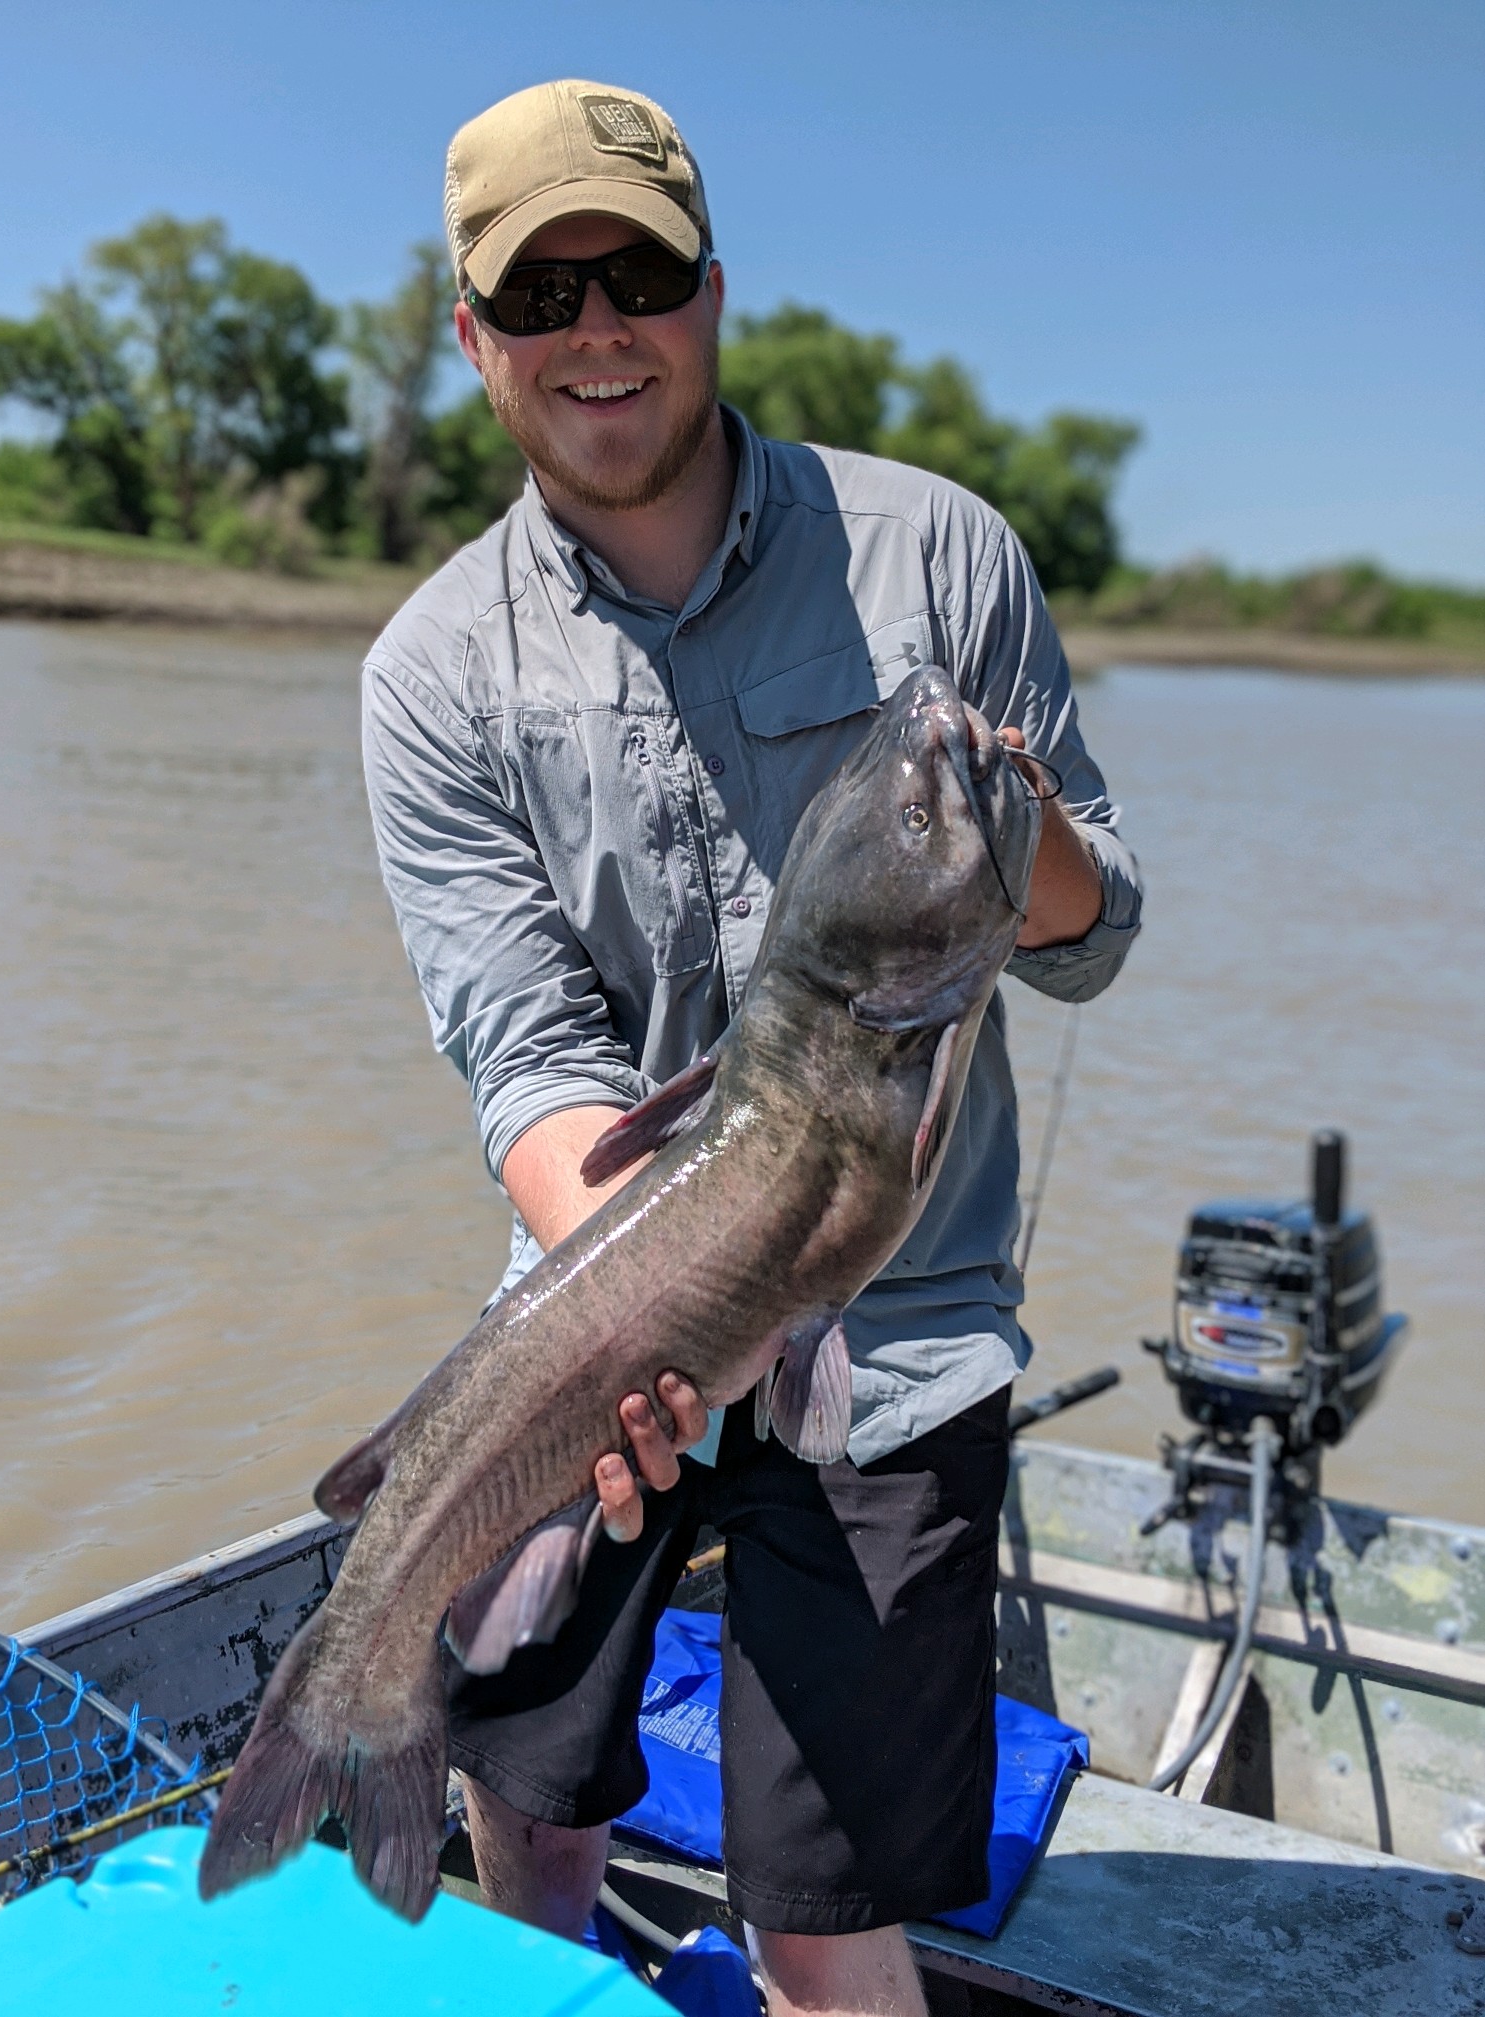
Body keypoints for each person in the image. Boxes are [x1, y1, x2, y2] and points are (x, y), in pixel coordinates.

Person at [362, 78, 1142, 2017]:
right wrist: (650, 1324)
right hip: (601, 1299)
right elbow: (523, 1053)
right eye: (540, 296)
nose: (595, 328)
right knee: (524, 1797)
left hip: (901, 1333)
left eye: (635, 269)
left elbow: (1092, 933)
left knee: (815, 1908)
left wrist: (1001, 817)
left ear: (711, 290)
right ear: (475, 340)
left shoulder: (939, 559)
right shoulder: (432, 675)